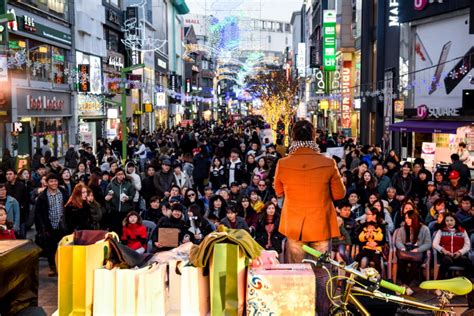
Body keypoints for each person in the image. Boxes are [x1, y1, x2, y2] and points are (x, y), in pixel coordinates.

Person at [274, 120, 346, 315]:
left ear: (294, 137)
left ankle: (298, 311)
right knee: (322, 274)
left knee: (296, 273)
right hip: (320, 226)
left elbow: (278, 191)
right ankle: (322, 312)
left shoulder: (283, 163)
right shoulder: (328, 162)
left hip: (295, 227)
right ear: (314, 137)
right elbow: (339, 194)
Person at [35, 173, 68, 276]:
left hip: (62, 224)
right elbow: (38, 214)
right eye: (51, 181)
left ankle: (64, 267)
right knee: (51, 248)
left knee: (64, 247)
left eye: (55, 181)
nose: (54, 183)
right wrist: (42, 228)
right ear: (47, 183)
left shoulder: (63, 192)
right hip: (49, 225)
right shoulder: (42, 196)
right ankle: (53, 267)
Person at [394, 210, 432, 295]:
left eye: (408, 218)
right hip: (406, 251)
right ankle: (406, 287)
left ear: (414, 219)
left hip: (418, 251)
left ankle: (404, 285)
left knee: (415, 263)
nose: (406, 220)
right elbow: (398, 241)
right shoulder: (402, 228)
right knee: (400, 261)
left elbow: (428, 243)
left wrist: (418, 249)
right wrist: (402, 247)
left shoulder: (424, 229)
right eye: (405, 218)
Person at [432, 213, 472, 280]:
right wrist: (445, 251)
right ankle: (439, 283)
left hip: (458, 255)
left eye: (451, 220)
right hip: (446, 255)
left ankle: (468, 283)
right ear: (444, 222)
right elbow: (435, 244)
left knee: (467, 262)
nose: (449, 222)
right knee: (446, 260)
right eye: (447, 221)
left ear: (455, 221)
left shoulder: (462, 231)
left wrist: (460, 252)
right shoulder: (441, 231)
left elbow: (467, 245)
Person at [104, 168, 136, 236]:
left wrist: (128, 198)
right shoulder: (111, 185)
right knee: (114, 231)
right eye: (118, 174)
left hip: (125, 211)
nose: (120, 176)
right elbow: (106, 197)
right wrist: (108, 207)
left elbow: (132, 196)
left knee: (124, 230)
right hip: (114, 212)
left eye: (122, 174)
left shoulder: (128, 185)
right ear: (116, 175)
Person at [6, 169, 29, 238]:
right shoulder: (5, 186)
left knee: (22, 236)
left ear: (15, 176)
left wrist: (22, 206)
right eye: (7, 174)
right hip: (8, 216)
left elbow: (26, 198)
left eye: (10, 174)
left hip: (21, 215)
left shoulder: (21, 186)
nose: (8, 176)